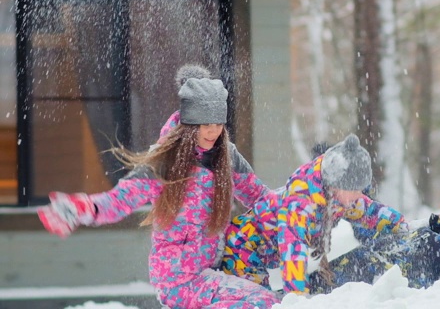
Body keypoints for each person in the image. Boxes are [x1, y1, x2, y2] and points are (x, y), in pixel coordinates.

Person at [37, 76, 279, 309]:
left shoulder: (225, 156)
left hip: (214, 269)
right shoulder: (165, 161)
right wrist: (85, 208)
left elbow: (260, 197)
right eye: (205, 124)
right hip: (178, 279)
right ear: (189, 124)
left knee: (272, 295)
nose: (213, 132)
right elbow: (121, 199)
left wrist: (299, 202)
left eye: (218, 124)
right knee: (263, 302)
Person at [221, 133, 407, 295]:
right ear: (337, 184)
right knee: (259, 301)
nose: (359, 195)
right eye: (355, 190)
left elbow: (370, 211)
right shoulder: (300, 202)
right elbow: (293, 249)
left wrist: (402, 226)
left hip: (266, 252)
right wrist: (297, 295)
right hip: (242, 247)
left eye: (361, 189)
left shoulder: (338, 194)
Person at [308, 182, 440, 293]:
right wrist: (356, 199)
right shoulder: (426, 230)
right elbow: (373, 234)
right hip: (315, 283)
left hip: (331, 298)